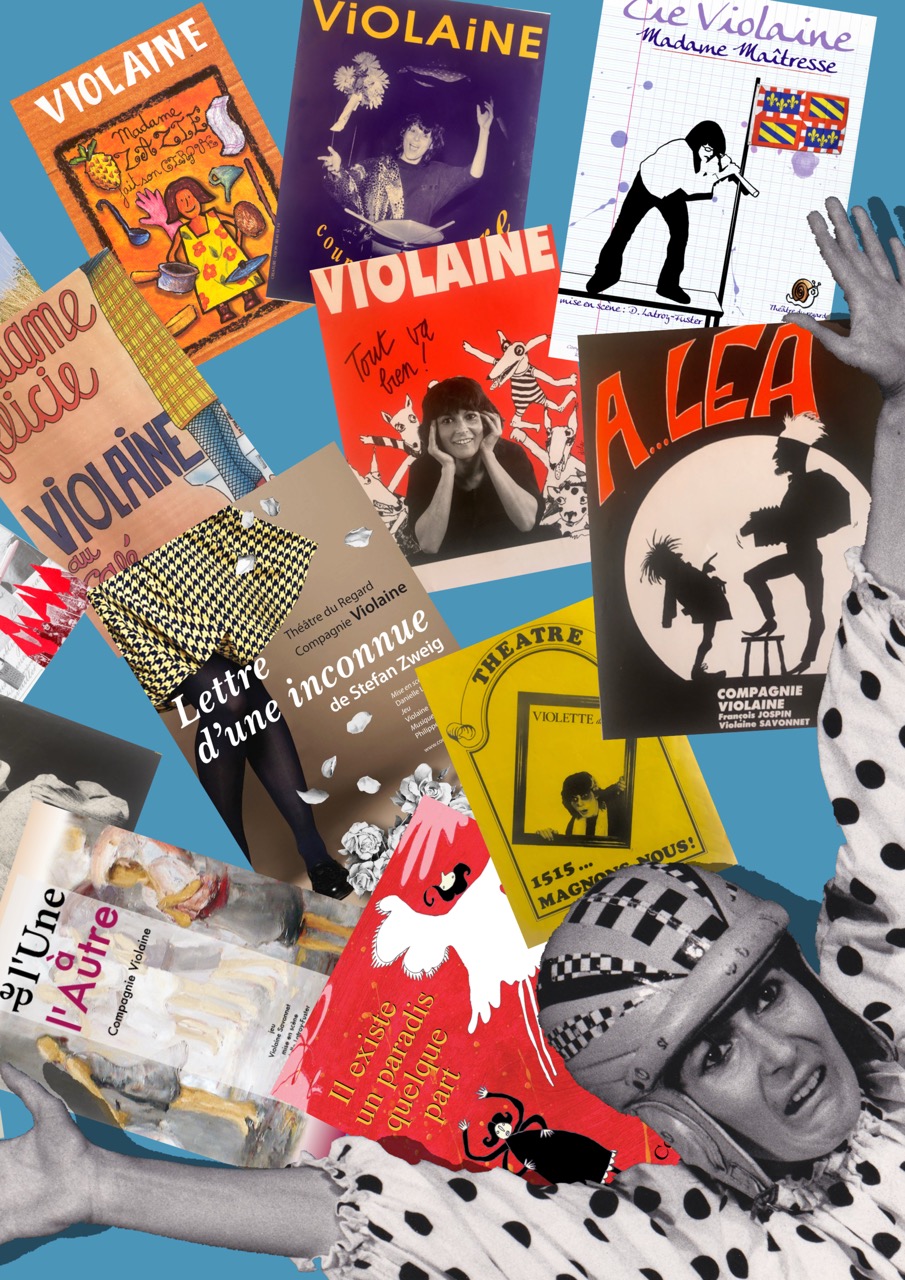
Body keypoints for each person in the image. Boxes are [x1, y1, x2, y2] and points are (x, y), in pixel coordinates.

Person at [5, 197, 905, 1276]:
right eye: (711, 1050)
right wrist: (97, 1188)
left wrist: (896, 410)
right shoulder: (730, 1253)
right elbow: (431, 1223)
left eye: (761, 995)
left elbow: (885, 754)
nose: (779, 1055)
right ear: (672, 1113)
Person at [89, 507, 352, 900]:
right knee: (230, 693)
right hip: (106, 582)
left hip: (155, 547)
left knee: (242, 685)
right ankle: (237, 859)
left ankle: (306, 852)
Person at [741, 412, 852, 675]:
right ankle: (771, 621)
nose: (775, 456)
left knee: (815, 611)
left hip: (807, 557)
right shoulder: (797, 486)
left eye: (780, 450)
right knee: (752, 576)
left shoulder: (816, 481)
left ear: (794, 452)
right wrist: (759, 525)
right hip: (797, 555)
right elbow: (786, 521)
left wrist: (801, 526)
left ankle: (807, 660)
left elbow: (839, 513)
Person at [586, 121, 744, 303]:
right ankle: (606, 274)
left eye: (714, 151)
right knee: (623, 230)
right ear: (696, 141)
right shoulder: (679, 150)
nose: (710, 154)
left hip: (671, 191)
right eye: (707, 149)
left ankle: (668, 285)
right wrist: (723, 173)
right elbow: (692, 189)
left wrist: (722, 168)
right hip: (646, 186)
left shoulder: (707, 157)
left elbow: (703, 178)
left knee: (680, 237)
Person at [406, 376, 544, 559]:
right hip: (455, 565)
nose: (461, 429)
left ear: (488, 420)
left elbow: (527, 522)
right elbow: (428, 545)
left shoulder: (512, 454)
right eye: (447, 420)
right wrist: (447, 468)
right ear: (433, 431)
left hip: (513, 559)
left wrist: (488, 454)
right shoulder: (422, 469)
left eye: (470, 417)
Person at [320, 107, 493, 252]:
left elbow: (473, 175)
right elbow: (346, 188)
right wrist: (336, 171)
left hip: (412, 260)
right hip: (373, 254)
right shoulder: (376, 166)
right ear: (404, 134)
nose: (416, 138)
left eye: (425, 135)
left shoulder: (437, 173)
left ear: (431, 144)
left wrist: (484, 132)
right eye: (413, 130)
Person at [161, 176, 265, 325]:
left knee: (241, 278)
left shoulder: (213, 216)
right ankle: (224, 310)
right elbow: (171, 256)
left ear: (197, 196)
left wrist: (238, 244)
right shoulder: (182, 232)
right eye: (182, 202)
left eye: (189, 197)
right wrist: (185, 272)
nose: (188, 203)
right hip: (206, 275)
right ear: (176, 208)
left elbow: (237, 222)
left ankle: (248, 296)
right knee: (212, 289)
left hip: (230, 261)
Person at [641, 533, 732, 680]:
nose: (679, 558)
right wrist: (667, 621)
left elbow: (695, 585)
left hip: (708, 605)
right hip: (707, 607)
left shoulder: (680, 573)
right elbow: (677, 597)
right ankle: (696, 671)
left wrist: (705, 573)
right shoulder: (675, 577)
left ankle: (697, 670)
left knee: (708, 639)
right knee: (707, 640)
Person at [536, 771, 629, 841]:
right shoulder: (573, 825)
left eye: (585, 796)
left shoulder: (617, 815)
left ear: (595, 794)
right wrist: (550, 837)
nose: (579, 803)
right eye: (574, 799)